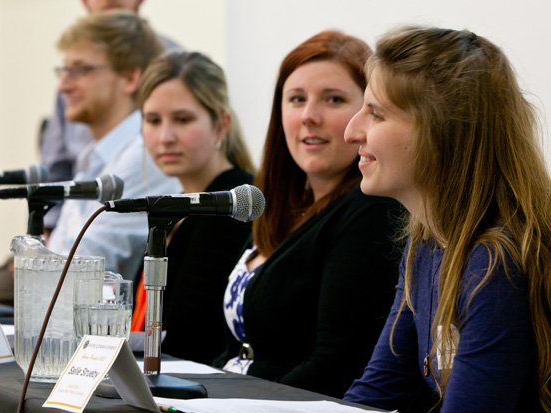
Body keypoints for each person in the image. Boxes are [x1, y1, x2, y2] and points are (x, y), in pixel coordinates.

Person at [343, 27, 551, 412]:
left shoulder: (493, 263)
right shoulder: (425, 244)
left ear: (440, 133)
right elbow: (379, 391)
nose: (351, 131)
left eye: (375, 113)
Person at [216, 30, 403, 397]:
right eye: (296, 99)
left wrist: (236, 405)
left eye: (333, 99)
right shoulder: (273, 206)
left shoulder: (371, 211)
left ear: (368, 115)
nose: (309, 116)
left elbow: (336, 365)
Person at [134, 51, 255, 364]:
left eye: (183, 119)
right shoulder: (177, 209)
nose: (165, 137)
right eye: (153, 120)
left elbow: (190, 338)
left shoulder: (231, 208)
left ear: (221, 125)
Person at [43, 11, 180, 279]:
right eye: (64, 70)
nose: (63, 86)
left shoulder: (145, 155)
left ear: (130, 78)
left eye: (79, 70)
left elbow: (77, 271)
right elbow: (60, 255)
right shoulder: (95, 155)